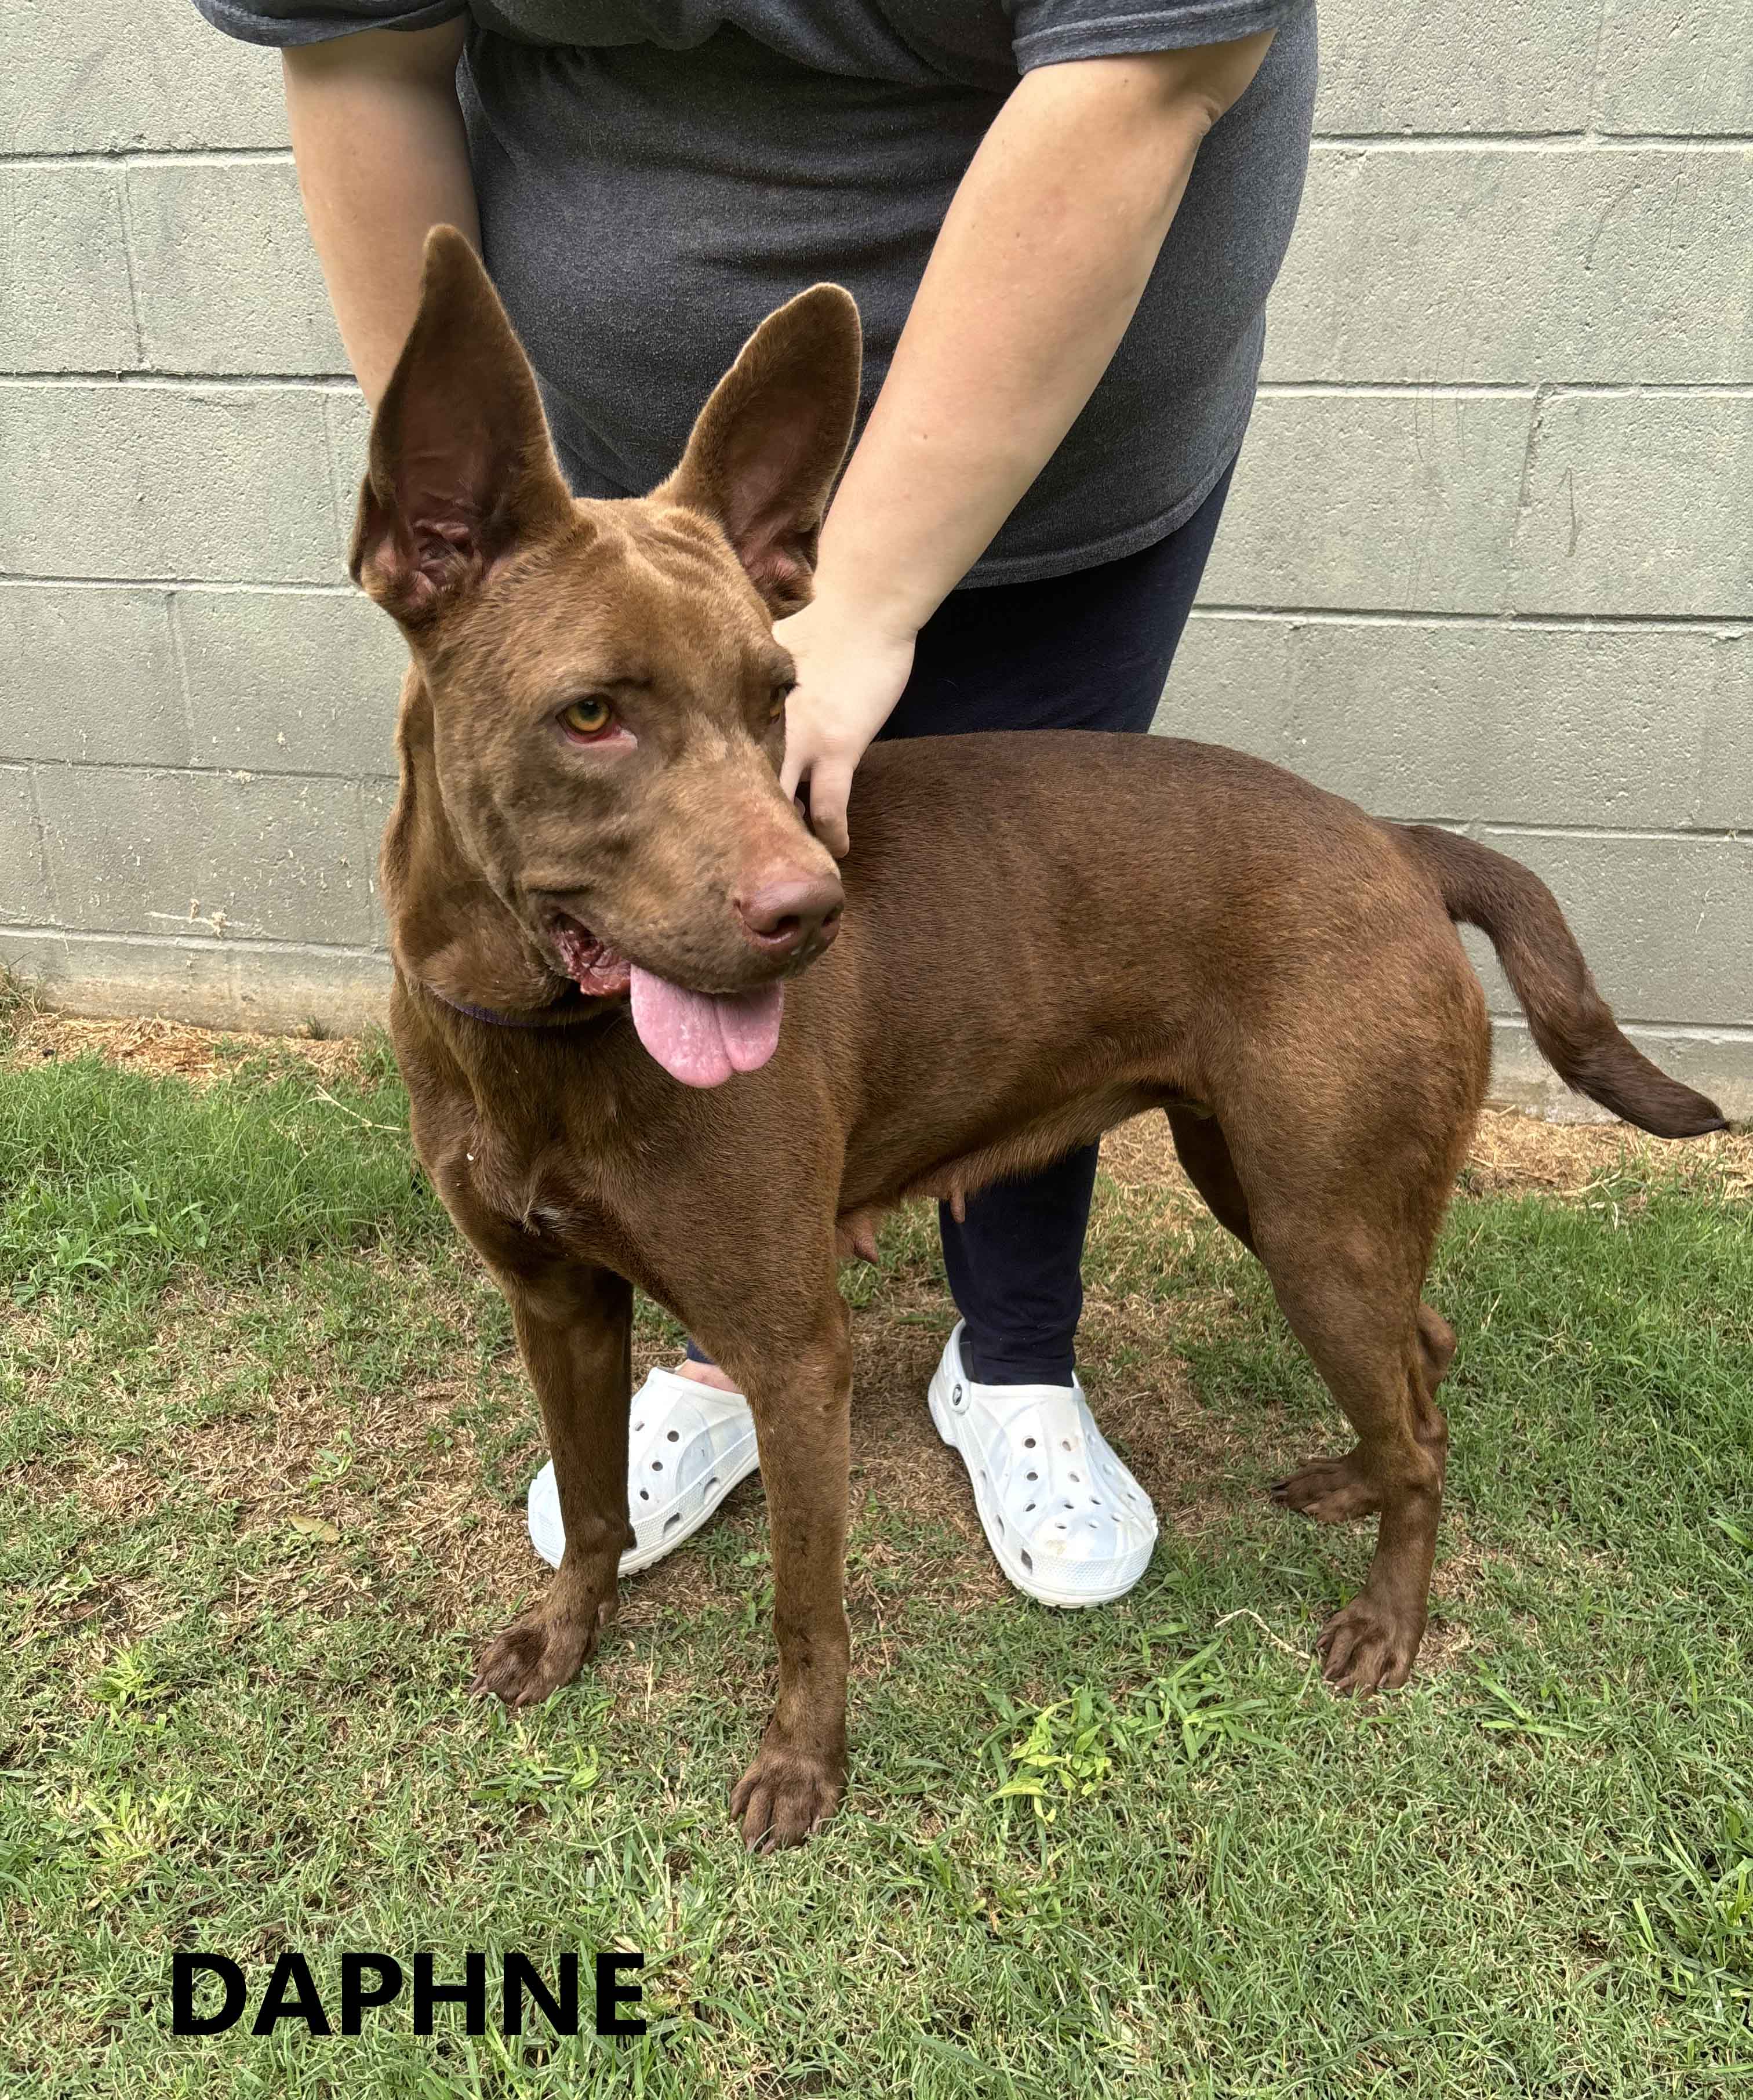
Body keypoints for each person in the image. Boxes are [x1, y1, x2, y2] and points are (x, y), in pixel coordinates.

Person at [196, 0, 1316, 1606]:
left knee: (1044, 958)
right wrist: (475, 551)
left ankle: (1012, 1363)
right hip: (619, 488)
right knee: (702, 979)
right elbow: (357, 53)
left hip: (1072, 426)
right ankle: (728, 1329)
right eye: (592, 715)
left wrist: (856, 609)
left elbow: (1151, 76)